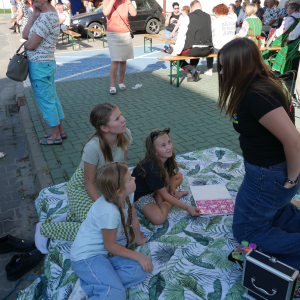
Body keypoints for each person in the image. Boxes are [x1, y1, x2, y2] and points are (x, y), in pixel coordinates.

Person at [217, 37, 300, 271]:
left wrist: (291, 179)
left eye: (226, 67)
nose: (221, 73)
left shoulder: (257, 95)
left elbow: (294, 141)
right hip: (267, 173)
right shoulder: (264, 83)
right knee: (277, 213)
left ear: (244, 65)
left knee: (246, 232)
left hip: (269, 174)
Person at [36, 102, 133, 245]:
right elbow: (88, 184)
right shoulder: (92, 148)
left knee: (119, 221)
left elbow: (122, 168)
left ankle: (71, 215)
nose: (123, 119)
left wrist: (120, 197)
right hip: (82, 188)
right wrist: (106, 205)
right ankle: (45, 228)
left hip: (105, 185)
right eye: (117, 118)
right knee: (99, 229)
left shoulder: (125, 134)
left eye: (121, 115)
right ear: (104, 128)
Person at [70, 162, 152, 299]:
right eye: (130, 179)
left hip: (103, 256)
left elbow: (133, 219)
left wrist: (138, 238)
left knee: (140, 269)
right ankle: (92, 286)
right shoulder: (109, 212)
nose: (134, 178)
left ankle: (90, 283)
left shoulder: (127, 194)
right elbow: (111, 246)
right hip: (86, 257)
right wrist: (139, 255)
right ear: (119, 192)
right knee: (116, 294)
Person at [132, 128, 201, 225]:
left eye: (169, 142)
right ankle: (169, 199)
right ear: (154, 151)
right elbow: (164, 194)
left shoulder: (167, 156)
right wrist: (188, 207)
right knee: (159, 219)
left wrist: (172, 189)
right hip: (141, 195)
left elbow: (171, 173)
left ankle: (164, 195)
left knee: (179, 175)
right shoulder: (152, 169)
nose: (169, 147)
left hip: (154, 187)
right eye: (163, 145)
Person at [22, 0, 66, 145]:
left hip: (40, 66)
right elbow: (25, 34)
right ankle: (60, 131)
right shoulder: (47, 15)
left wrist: (26, 45)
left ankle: (55, 136)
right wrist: (34, 16)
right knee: (52, 99)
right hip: (46, 63)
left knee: (45, 100)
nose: (32, 0)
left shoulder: (46, 17)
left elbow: (30, 43)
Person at [170, 0, 213, 82]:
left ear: (192, 9)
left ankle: (193, 70)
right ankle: (192, 73)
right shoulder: (209, 17)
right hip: (207, 50)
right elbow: (213, 32)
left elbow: (181, 36)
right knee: (195, 50)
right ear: (201, 7)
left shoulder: (188, 17)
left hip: (194, 50)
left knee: (174, 57)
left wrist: (175, 52)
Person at [103, 0, 137, 94]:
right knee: (115, 60)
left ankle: (121, 82)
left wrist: (129, 1)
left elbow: (133, 13)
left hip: (125, 33)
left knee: (123, 60)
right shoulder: (107, 1)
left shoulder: (126, 1)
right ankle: (112, 85)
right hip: (113, 34)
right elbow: (106, 12)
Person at [262, 2, 300, 73]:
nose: (287, 10)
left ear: (294, 9)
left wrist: (274, 34)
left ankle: (264, 60)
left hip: (285, 39)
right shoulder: (298, 17)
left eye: (288, 8)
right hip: (293, 40)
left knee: (270, 45)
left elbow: (281, 31)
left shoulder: (289, 18)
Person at [205, 4, 235, 75]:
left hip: (219, 48)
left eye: (215, 13)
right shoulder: (231, 20)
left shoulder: (216, 21)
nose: (215, 15)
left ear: (219, 12)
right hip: (231, 47)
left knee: (208, 50)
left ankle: (210, 70)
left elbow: (211, 34)